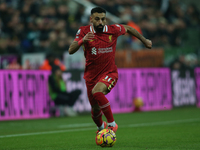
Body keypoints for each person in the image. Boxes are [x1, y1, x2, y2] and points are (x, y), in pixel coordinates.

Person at [68, 6, 152, 136]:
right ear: (91, 19)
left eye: (103, 19)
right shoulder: (83, 31)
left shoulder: (113, 30)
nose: (100, 22)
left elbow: (128, 28)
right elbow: (71, 50)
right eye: (97, 19)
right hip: (91, 76)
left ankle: (112, 124)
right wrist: (82, 41)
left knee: (97, 92)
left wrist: (144, 40)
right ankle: (101, 128)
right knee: (95, 110)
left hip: (109, 73)